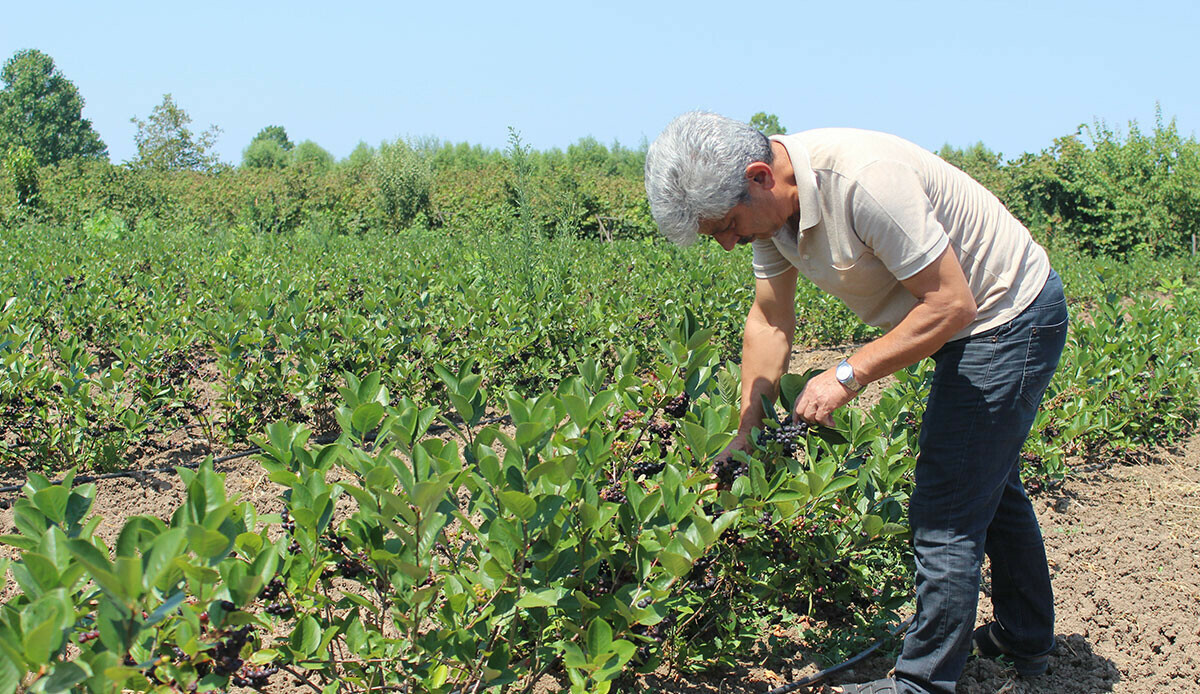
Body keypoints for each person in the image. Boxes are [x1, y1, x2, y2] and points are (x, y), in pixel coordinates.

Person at [643, 111, 1068, 694]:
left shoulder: (864, 181)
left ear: (761, 175)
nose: (727, 242)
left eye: (727, 224)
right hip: (960, 318)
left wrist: (846, 374)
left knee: (945, 506)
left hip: (1005, 315)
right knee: (986, 480)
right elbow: (770, 319)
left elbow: (951, 305)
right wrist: (746, 426)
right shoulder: (774, 219)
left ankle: (922, 684)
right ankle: (1025, 638)